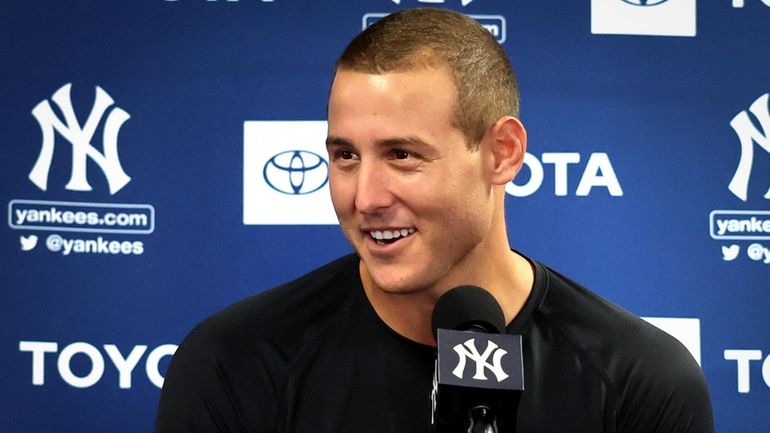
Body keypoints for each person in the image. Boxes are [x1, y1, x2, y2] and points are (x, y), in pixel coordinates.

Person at [155, 8, 714, 433]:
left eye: (402, 155)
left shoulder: (640, 381)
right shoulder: (234, 362)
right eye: (345, 155)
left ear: (502, 153)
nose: (366, 197)